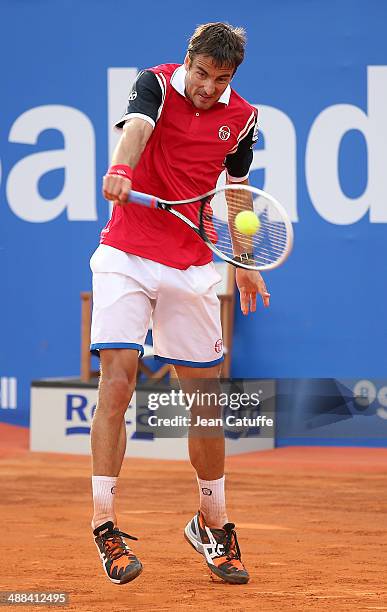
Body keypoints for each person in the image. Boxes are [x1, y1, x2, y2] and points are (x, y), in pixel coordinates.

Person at [90, 22, 270, 586]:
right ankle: (105, 526)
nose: (207, 87)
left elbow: (237, 193)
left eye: (221, 79)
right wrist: (121, 169)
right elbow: (138, 129)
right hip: (125, 253)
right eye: (201, 73)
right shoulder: (156, 85)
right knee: (116, 383)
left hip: (192, 264)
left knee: (205, 401)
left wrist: (241, 262)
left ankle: (212, 523)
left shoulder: (242, 118)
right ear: (186, 60)